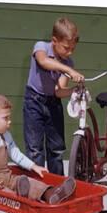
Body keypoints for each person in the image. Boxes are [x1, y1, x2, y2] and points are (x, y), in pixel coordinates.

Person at [0, 93, 76, 204]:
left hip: (5, 176)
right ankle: (21, 202)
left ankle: (51, 193)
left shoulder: (5, 135)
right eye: (6, 118)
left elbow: (16, 154)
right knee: (5, 193)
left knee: (28, 182)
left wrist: (33, 166)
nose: (9, 121)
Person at [23, 17, 85, 175]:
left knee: (56, 149)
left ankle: (57, 185)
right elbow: (43, 62)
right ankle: (37, 186)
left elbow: (59, 90)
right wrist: (69, 71)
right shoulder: (41, 47)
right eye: (66, 48)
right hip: (33, 101)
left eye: (73, 48)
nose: (70, 52)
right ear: (54, 40)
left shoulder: (68, 62)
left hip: (53, 103)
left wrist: (74, 90)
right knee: (35, 149)